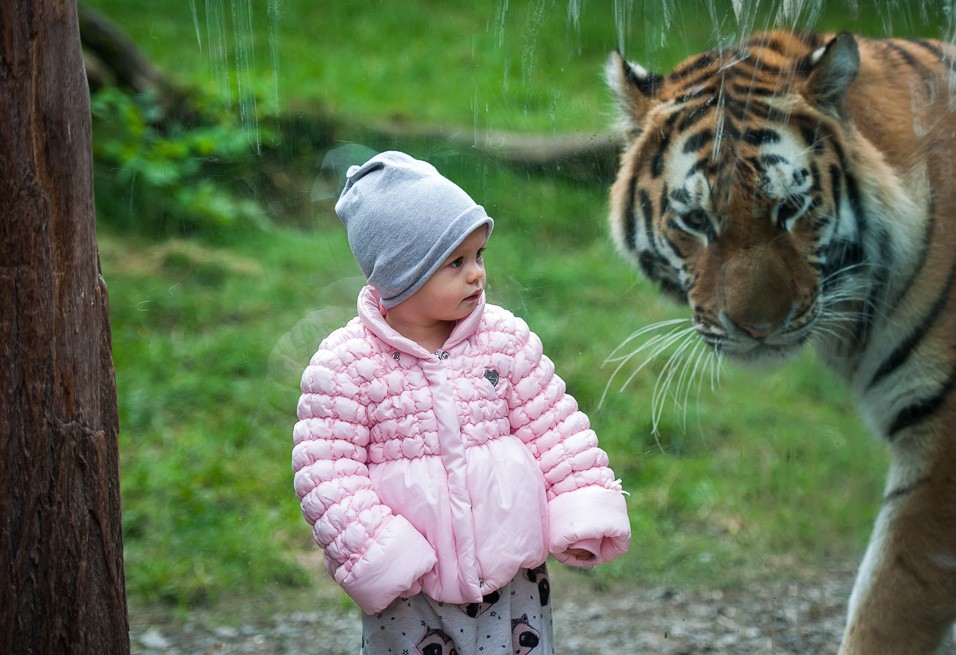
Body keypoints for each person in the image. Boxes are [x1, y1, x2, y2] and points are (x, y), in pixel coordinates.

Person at [291, 151, 631, 654]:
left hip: (513, 580)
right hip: (414, 590)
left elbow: (554, 428)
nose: (477, 275)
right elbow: (326, 471)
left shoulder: (503, 340)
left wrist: (582, 508)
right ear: (400, 272)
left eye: (479, 256)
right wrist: (381, 552)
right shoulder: (346, 365)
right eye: (456, 262)